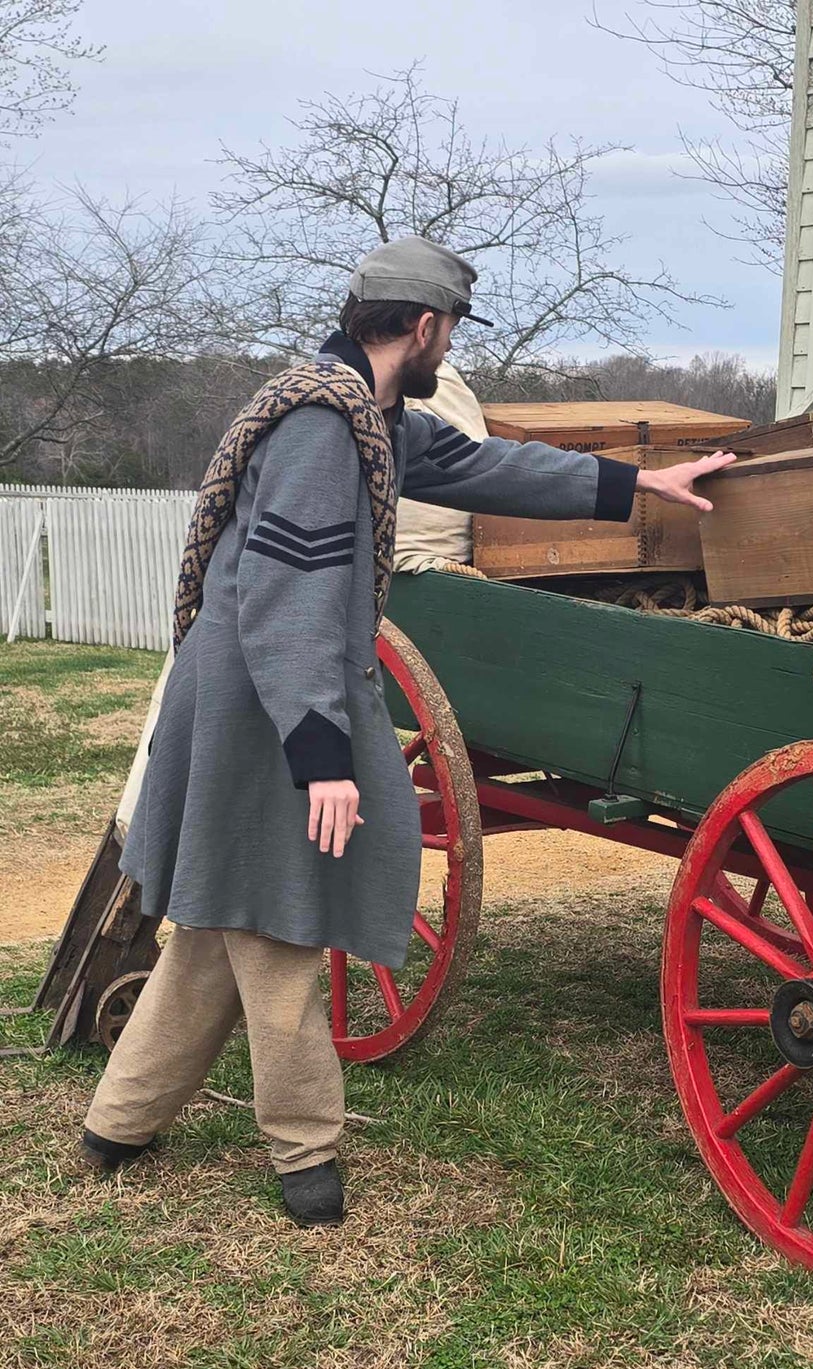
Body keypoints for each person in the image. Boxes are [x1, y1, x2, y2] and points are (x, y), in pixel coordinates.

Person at [78, 236, 734, 1226]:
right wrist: (321, 757)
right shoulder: (321, 429)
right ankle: (305, 1154)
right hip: (259, 699)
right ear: (424, 326)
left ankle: (118, 1123)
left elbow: (482, 466)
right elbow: (287, 600)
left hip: (262, 685)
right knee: (283, 916)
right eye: (452, 329)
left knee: (219, 918)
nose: (452, 346)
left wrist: (638, 485)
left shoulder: (368, 416)